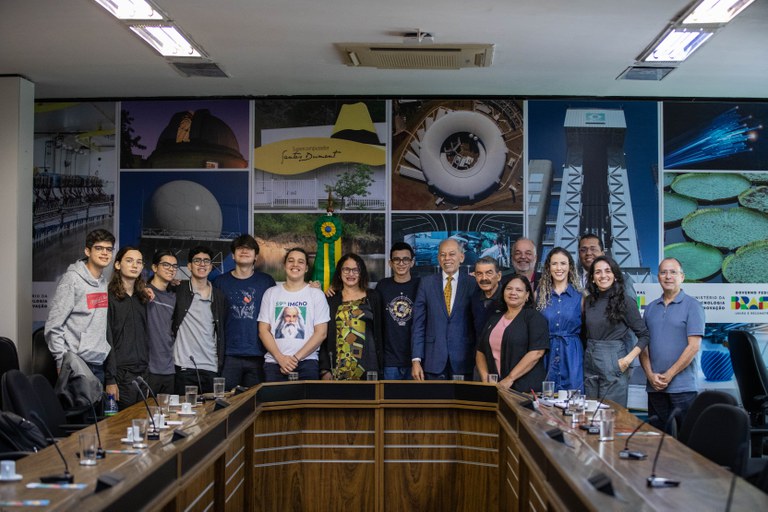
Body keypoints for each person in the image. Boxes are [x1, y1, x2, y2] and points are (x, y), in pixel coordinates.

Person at [640, 258, 705, 431]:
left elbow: (694, 347)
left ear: (682, 277)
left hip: (683, 389)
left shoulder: (693, 306)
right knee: (659, 439)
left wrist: (669, 375)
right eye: (663, 272)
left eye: (673, 272)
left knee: (688, 440)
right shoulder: (650, 308)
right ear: (659, 277)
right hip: (655, 387)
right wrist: (650, 375)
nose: (668, 276)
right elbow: (643, 346)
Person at [45, 229, 115, 386]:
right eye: (99, 248)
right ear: (87, 251)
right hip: (76, 364)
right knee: (79, 410)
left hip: (97, 363)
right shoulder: (72, 280)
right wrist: (61, 361)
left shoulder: (103, 283)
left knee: (96, 411)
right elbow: (53, 325)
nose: (105, 253)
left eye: (109, 249)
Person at [583, 255, 649, 407]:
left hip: (614, 359)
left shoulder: (625, 300)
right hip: (590, 359)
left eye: (608, 271)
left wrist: (627, 360)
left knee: (611, 415)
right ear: (593, 277)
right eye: (598, 272)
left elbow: (644, 335)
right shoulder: (589, 301)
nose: (603, 275)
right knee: (590, 412)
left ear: (615, 275)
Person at [213, 234, 276, 389]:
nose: (244, 251)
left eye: (249, 249)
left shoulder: (266, 281)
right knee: (225, 401)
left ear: (256, 256)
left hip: (258, 354)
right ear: (233, 256)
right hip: (229, 355)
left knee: (254, 403)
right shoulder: (220, 282)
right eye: (240, 249)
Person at [258, 248, 329, 381]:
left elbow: (321, 333)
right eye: (291, 261)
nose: (295, 265)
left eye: (300, 262)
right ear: (285, 265)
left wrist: (295, 358)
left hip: (307, 363)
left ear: (306, 268)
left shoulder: (316, 294)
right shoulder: (271, 293)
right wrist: (280, 358)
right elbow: (263, 331)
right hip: (274, 364)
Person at [411, 238, 477, 381]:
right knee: (435, 402)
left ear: (461, 257)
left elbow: (478, 323)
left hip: (464, 360)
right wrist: (416, 360)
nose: (447, 258)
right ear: (438, 258)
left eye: (452, 254)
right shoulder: (426, 283)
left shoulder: (473, 284)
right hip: (433, 361)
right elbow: (418, 324)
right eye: (442, 254)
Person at [476, 275, 549, 391]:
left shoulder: (534, 318)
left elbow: (537, 352)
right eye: (509, 288)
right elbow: (480, 351)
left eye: (519, 290)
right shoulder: (494, 318)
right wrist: (485, 379)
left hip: (524, 390)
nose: (513, 293)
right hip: (495, 388)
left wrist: (510, 378)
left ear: (527, 295)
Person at [172, 246, 228, 395]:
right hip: (184, 367)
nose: (202, 264)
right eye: (197, 261)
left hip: (211, 367)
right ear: (189, 266)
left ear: (211, 266)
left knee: (211, 417)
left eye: (206, 261)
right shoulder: (178, 290)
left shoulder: (219, 296)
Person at [321, 253, 383, 380]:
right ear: (339, 272)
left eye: (356, 270)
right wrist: (324, 369)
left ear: (362, 273)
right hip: (337, 369)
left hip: (369, 368)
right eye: (346, 269)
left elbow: (382, 332)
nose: (351, 274)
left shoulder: (373, 297)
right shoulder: (330, 300)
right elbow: (322, 336)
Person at [104, 246, 150, 411]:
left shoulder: (142, 298)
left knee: (142, 425)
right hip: (121, 375)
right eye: (129, 261)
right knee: (123, 428)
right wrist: (110, 379)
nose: (134, 265)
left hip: (143, 372)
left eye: (139, 262)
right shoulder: (108, 296)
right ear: (117, 265)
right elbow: (107, 338)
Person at [535, 247, 583, 392]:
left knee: (573, 400)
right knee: (545, 398)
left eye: (563, 263)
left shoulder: (580, 296)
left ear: (570, 267)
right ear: (548, 267)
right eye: (554, 264)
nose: (559, 268)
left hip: (572, 354)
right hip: (546, 354)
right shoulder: (539, 295)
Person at [375, 242, 419, 380]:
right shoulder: (382, 286)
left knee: (415, 401)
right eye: (396, 259)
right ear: (390, 263)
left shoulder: (421, 285)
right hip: (390, 360)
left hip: (415, 360)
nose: (401, 263)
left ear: (412, 262)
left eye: (406, 259)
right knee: (389, 400)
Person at [146, 250, 178, 394]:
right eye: (166, 264)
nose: (171, 269)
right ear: (154, 267)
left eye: (174, 266)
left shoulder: (173, 297)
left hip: (169, 367)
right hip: (148, 367)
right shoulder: (143, 292)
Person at [471, 256, 503, 339]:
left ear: (499, 276)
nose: (484, 278)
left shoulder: (508, 298)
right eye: (479, 274)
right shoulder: (473, 298)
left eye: (489, 273)